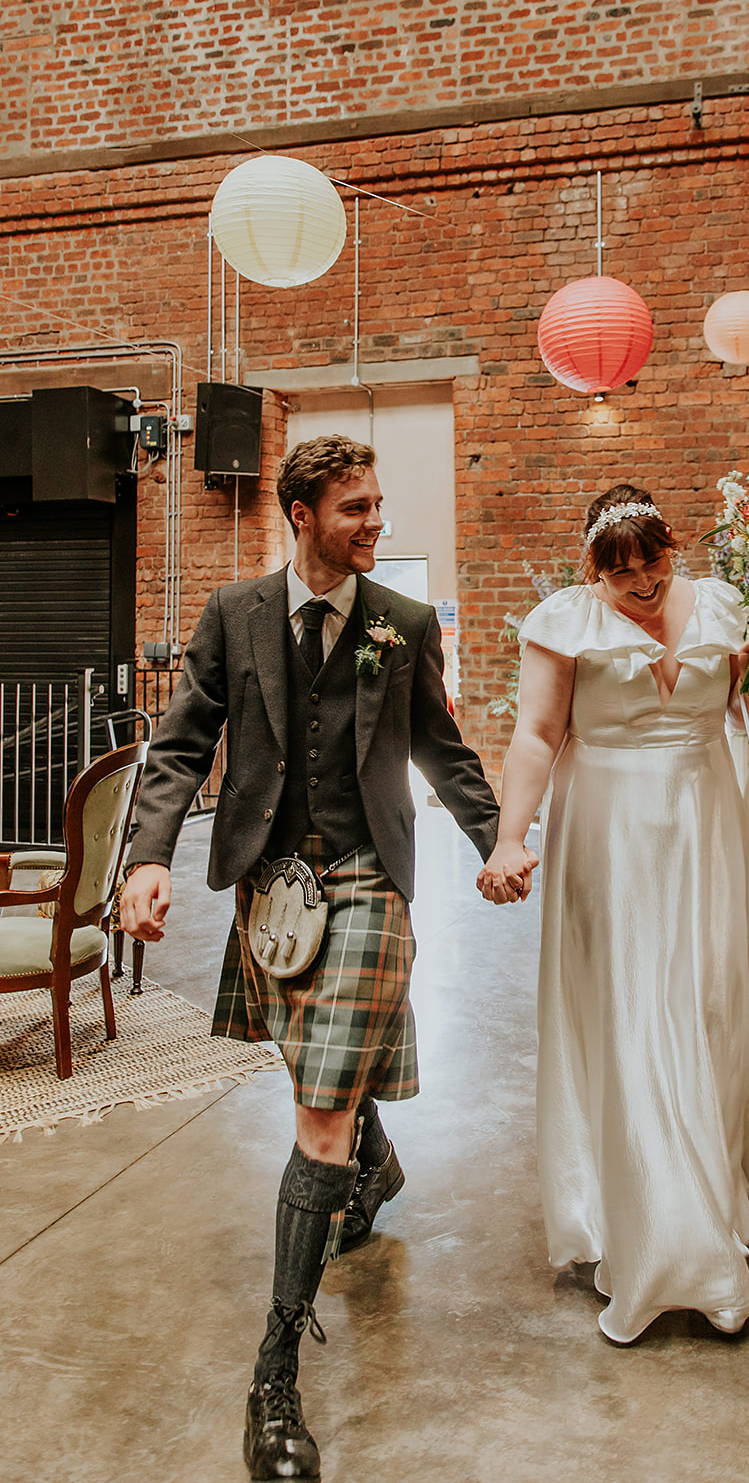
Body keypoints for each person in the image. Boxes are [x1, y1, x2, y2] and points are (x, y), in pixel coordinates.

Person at [120, 436, 528, 1480]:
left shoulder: (400, 624)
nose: (373, 524)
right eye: (353, 508)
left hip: (366, 876)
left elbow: (440, 744)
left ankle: (273, 1376)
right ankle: (373, 1166)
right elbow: (179, 745)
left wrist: (499, 839)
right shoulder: (234, 615)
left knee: (314, 1115)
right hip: (268, 879)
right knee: (318, 1076)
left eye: (378, 507)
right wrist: (149, 857)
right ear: (299, 514)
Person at [477, 483, 749, 1344]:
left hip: (708, 828)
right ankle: (669, 1246)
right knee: (635, 1020)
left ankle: (706, 1187)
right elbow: (535, 734)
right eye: (618, 569)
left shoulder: (729, 602)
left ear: (674, 548)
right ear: (591, 566)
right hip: (610, 833)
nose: (640, 583)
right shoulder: (562, 621)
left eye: (653, 561)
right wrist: (507, 838)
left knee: (708, 1009)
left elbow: (746, 714)